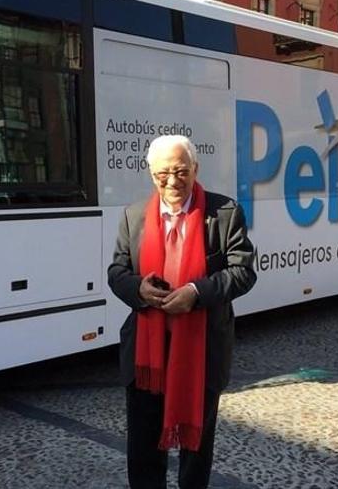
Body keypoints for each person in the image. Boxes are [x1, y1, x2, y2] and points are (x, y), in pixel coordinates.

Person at [108, 135, 257, 488]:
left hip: (201, 350)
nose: (173, 182)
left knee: (196, 451)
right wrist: (138, 289)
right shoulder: (133, 216)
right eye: (163, 174)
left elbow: (243, 271)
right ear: (150, 174)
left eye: (181, 172)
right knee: (143, 449)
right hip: (146, 356)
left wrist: (195, 292)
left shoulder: (223, 213)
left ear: (195, 169)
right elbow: (117, 272)